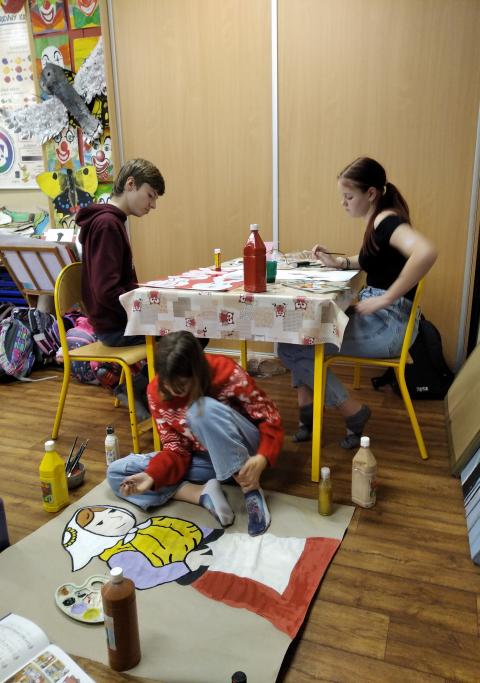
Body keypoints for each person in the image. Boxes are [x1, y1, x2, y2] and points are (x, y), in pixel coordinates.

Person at [278, 157, 437, 448]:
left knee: (293, 345)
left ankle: (352, 412)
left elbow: (425, 252)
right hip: (385, 320)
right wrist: (337, 262)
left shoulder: (387, 221)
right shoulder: (379, 221)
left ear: (371, 193)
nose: (343, 203)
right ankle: (308, 415)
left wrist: (387, 297)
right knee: (293, 335)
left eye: (349, 197)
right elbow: (368, 259)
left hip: (387, 326)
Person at [107, 330, 283, 536]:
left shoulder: (226, 371)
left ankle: (250, 488)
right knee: (117, 473)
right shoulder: (156, 391)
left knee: (201, 410)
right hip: (207, 462)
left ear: (197, 372)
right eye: (167, 384)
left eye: (182, 385)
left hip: (246, 453)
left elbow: (269, 417)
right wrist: (152, 477)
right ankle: (201, 494)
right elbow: (175, 448)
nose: (174, 391)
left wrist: (262, 457)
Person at [76, 158, 165, 419]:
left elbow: (114, 285)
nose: (153, 205)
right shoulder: (107, 225)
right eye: (150, 195)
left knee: (185, 325)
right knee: (191, 332)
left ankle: (145, 388)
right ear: (130, 184)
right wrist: (141, 310)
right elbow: (106, 290)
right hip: (115, 327)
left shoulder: (111, 221)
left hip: (115, 321)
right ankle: (135, 388)